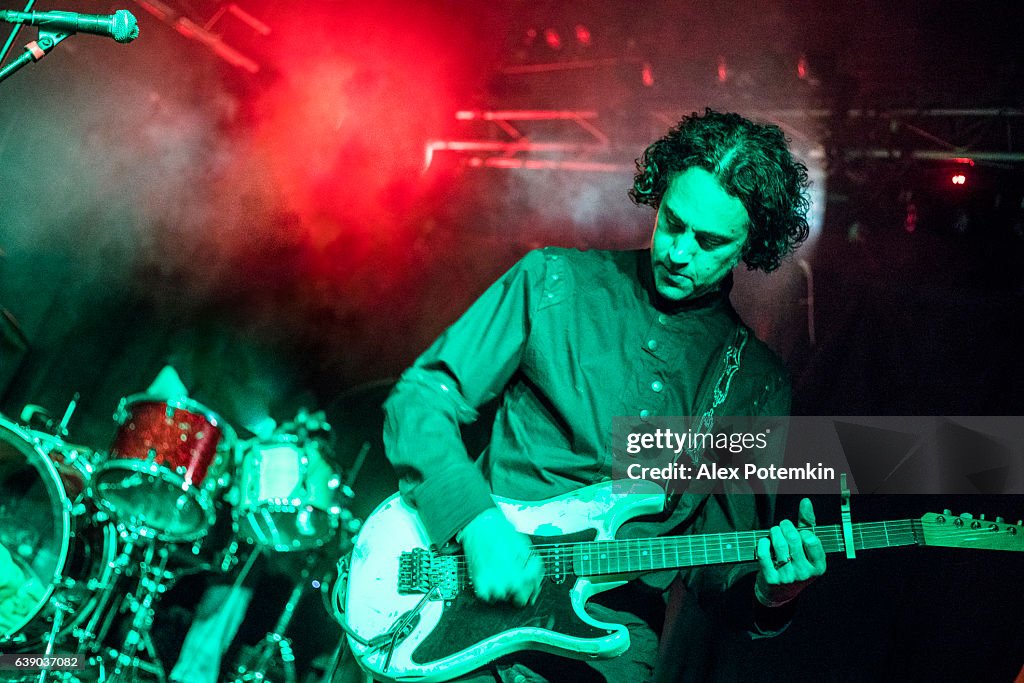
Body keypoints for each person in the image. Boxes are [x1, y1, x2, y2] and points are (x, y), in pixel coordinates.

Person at [382, 109, 826, 682]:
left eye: (710, 241)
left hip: (601, 655)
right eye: (672, 221)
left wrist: (772, 593)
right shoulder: (553, 282)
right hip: (461, 589)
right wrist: (476, 523)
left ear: (750, 243)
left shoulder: (753, 383)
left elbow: (720, 567)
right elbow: (421, 397)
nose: (679, 252)